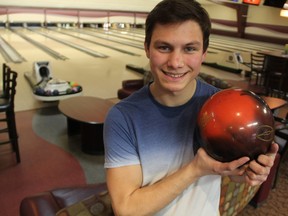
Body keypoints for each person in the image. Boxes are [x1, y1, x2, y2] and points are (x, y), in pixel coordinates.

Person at [103, 0, 279, 215]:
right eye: (164, 47)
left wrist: (250, 170)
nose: (176, 62)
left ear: (204, 53)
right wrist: (194, 170)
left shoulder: (223, 105)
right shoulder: (123, 117)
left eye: (190, 49)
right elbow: (126, 208)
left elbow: (229, 169)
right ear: (147, 48)